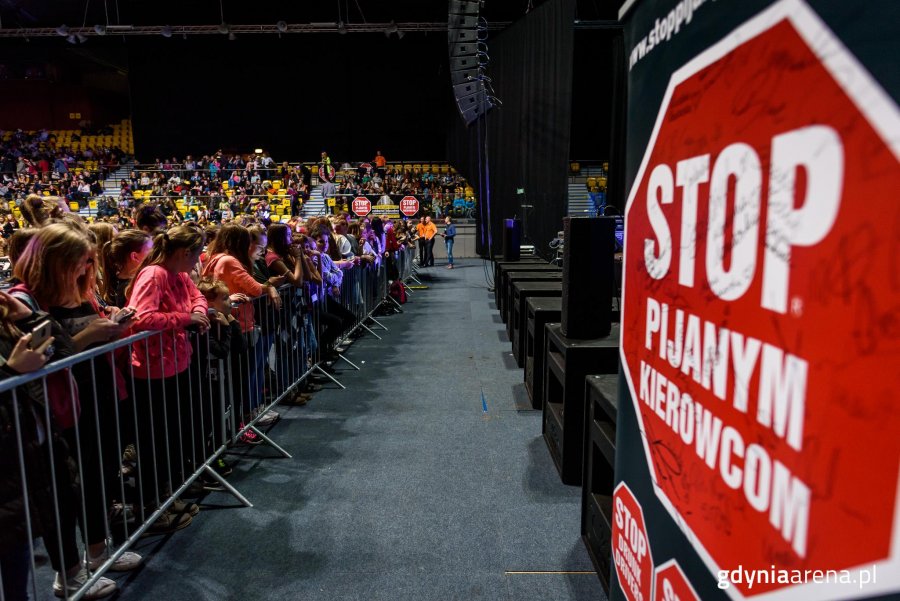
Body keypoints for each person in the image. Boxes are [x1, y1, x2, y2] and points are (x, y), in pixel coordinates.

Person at [127, 225, 210, 533]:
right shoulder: (154, 275)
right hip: (151, 370)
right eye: (197, 252)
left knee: (170, 439)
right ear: (183, 253)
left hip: (175, 363)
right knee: (154, 443)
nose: (199, 259)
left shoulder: (178, 275)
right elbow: (141, 318)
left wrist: (198, 311)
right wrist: (187, 318)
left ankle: (165, 497)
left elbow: (198, 296)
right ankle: (150, 510)